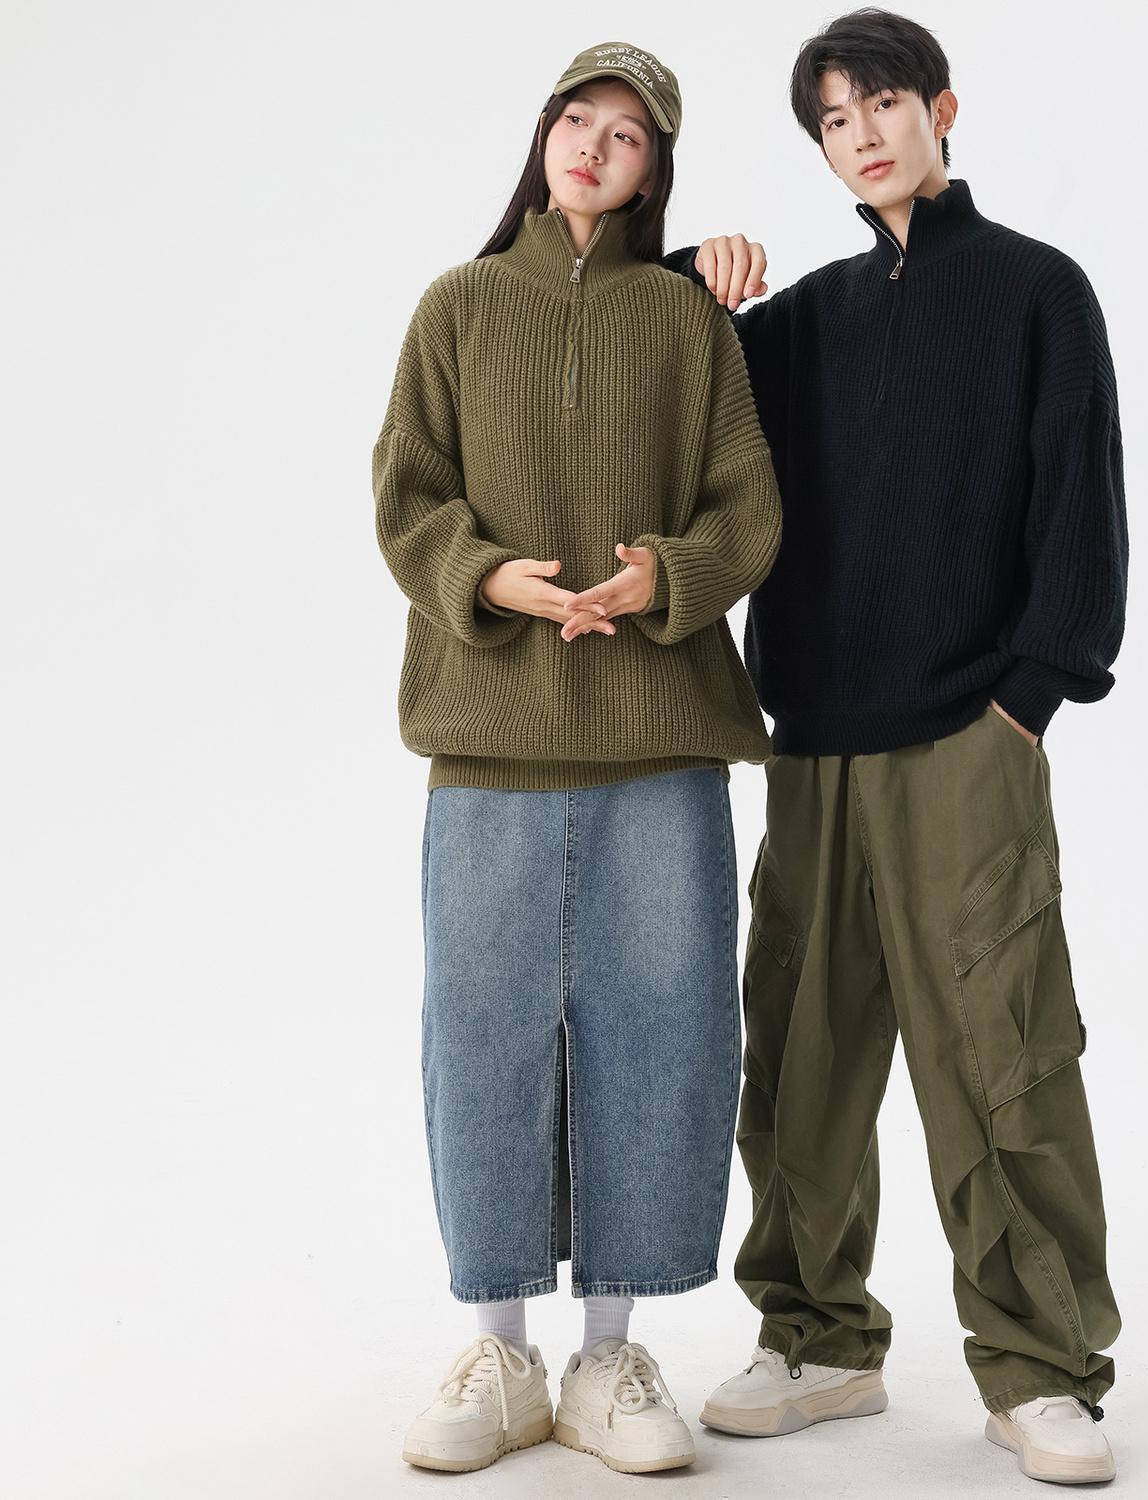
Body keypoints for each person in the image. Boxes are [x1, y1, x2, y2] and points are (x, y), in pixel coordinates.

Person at [663, 9, 1128, 1486]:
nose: (860, 135)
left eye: (880, 104)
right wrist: (693, 269)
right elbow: (649, 349)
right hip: (812, 741)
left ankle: (1041, 1368)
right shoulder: (807, 319)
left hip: (967, 734)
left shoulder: (1038, 290)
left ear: (941, 109)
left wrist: (1028, 698)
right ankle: (817, 1340)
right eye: (832, 120)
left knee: (1002, 1057)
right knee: (799, 1053)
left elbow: (1081, 503)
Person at [371, 41, 781, 1477]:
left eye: (627, 133)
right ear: (543, 137)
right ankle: (501, 1350)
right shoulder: (458, 304)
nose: (595, 145)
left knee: (660, 1026)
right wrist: (488, 579)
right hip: (486, 738)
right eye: (576, 120)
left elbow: (747, 507)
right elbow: (407, 492)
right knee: (481, 1030)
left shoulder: (687, 321)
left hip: (658, 739)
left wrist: (663, 576)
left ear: (656, 167)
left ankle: (611, 1354)